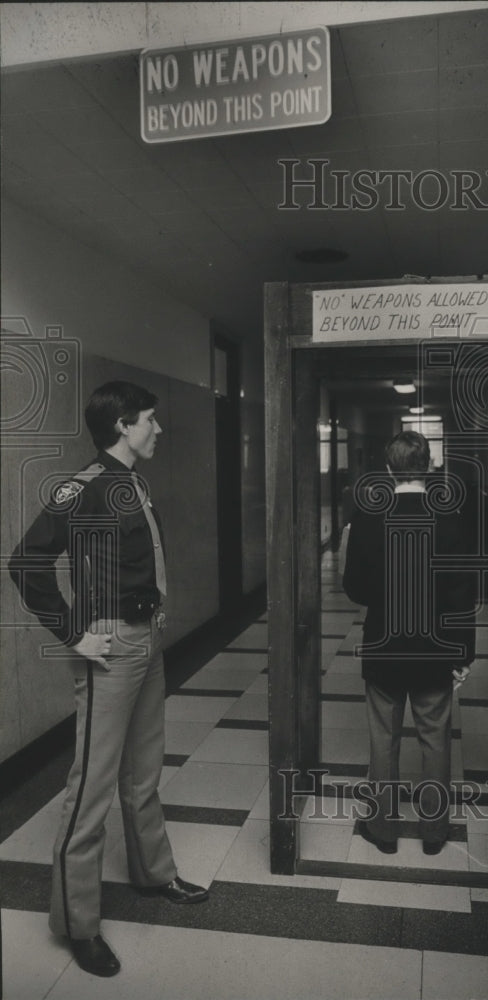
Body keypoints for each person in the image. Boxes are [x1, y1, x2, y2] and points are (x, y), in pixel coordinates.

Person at [9, 381, 209, 978]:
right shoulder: (88, 486)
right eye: (150, 419)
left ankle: (154, 874)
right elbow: (27, 561)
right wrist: (73, 633)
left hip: (145, 642)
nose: (158, 429)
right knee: (91, 787)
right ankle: (77, 924)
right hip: (110, 648)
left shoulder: (131, 482)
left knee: (144, 771)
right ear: (123, 425)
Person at [343, 431, 476, 856]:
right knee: (436, 739)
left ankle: (382, 830)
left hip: (384, 644)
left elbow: (356, 590)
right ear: (430, 465)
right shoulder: (451, 518)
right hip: (435, 648)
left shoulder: (368, 518)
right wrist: (464, 653)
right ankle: (434, 834)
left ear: (388, 470)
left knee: (383, 738)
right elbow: (461, 594)